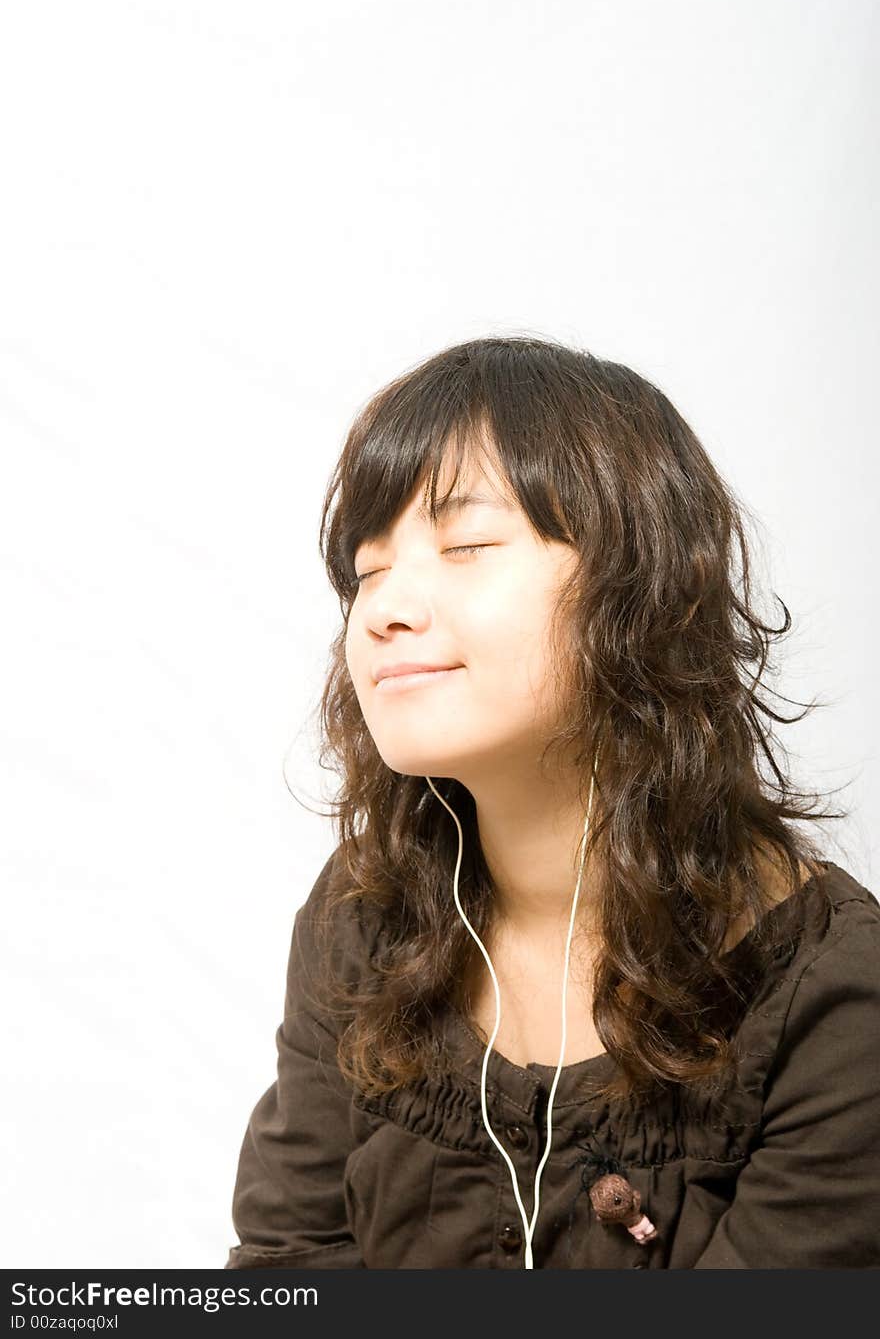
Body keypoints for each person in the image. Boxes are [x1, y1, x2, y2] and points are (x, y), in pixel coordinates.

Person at [225, 336, 880, 1269]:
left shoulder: (831, 992)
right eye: (368, 570)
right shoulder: (360, 918)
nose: (382, 610)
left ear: (641, 588)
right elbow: (287, 1267)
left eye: (467, 546)